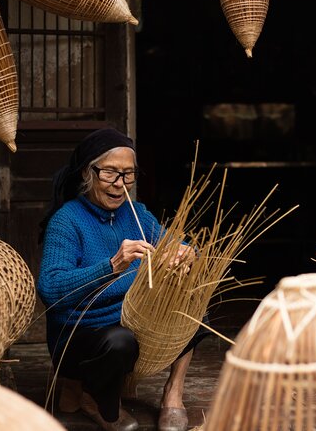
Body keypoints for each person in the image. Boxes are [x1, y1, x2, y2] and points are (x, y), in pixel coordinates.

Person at [37, 127, 201, 431]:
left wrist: (185, 254)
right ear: (88, 172)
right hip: (82, 332)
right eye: (110, 173)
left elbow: (182, 245)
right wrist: (112, 265)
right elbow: (50, 288)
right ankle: (93, 399)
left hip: (130, 321)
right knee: (119, 341)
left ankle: (173, 395)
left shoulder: (136, 213)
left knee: (189, 304)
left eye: (128, 174)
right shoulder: (67, 220)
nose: (120, 184)